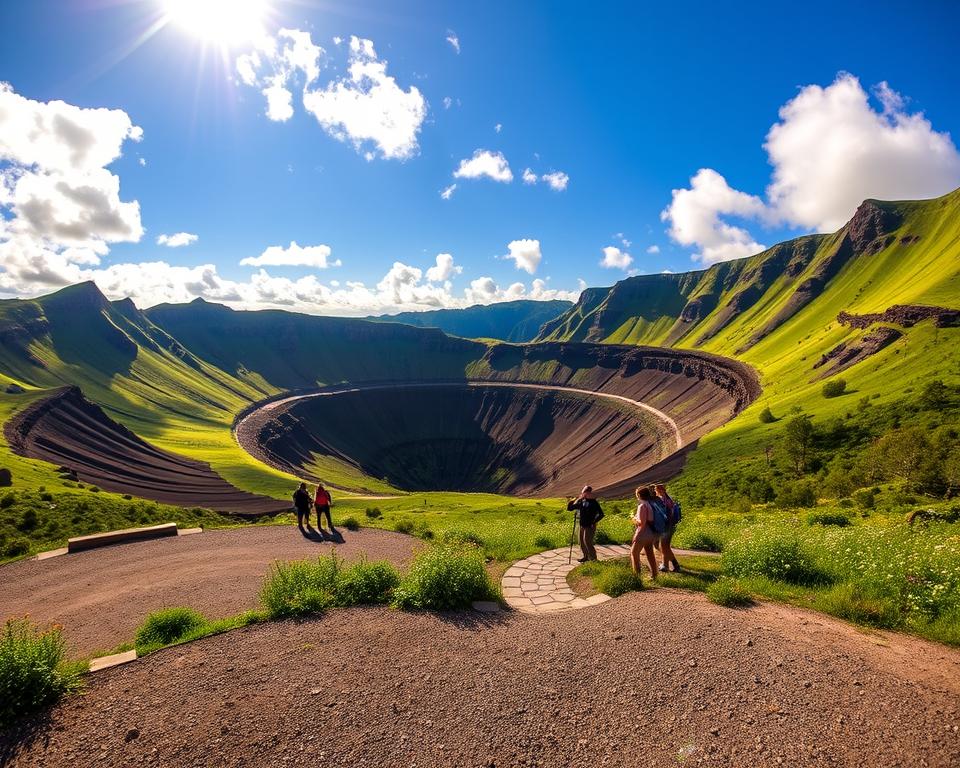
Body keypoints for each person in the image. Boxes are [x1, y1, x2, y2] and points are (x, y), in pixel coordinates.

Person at [567, 485, 603, 562]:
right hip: (582, 525)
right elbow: (570, 508)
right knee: (582, 542)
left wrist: (594, 522)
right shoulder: (582, 502)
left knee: (588, 542)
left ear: (589, 493)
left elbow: (601, 514)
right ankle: (586, 557)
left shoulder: (594, 502)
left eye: (584, 493)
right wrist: (574, 499)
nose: (583, 494)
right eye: (583, 493)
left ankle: (594, 559)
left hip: (590, 526)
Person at [631, 486, 660, 579]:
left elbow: (641, 523)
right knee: (650, 553)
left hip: (643, 533)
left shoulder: (642, 506)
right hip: (651, 533)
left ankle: (637, 577)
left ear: (639, 495)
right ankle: (654, 575)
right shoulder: (651, 504)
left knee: (634, 553)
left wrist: (634, 519)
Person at [655, 483, 681, 573]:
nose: (655, 492)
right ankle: (665, 565)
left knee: (664, 547)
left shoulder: (661, 500)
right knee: (665, 546)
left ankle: (675, 565)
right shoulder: (669, 499)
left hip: (665, 526)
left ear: (658, 490)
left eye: (656, 490)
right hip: (671, 525)